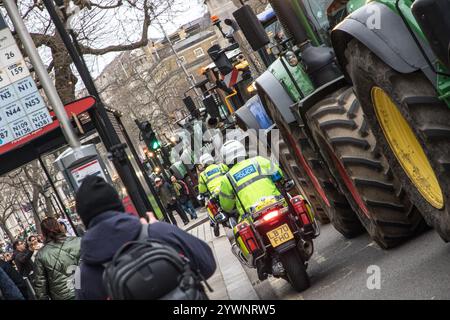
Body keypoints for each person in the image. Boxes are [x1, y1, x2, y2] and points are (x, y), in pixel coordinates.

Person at [74, 175, 216, 300]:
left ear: (84, 219)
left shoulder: (82, 274)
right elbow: (207, 264)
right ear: (118, 203)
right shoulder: (159, 231)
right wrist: (158, 230)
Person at [218, 140, 284, 222]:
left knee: (239, 229)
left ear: (225, 159)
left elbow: (226, 206)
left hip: (251, 217)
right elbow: (279, 175)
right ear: (242, 150)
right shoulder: (258, 161)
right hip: (276, 203)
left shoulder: (227, 178)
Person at [33, 217, 81, 300]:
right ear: (59, 227)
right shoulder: (78, 241)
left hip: (63, 296)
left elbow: (40, 287)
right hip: (89, 289)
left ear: (43, 233)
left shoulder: (41, 255)